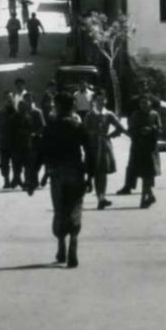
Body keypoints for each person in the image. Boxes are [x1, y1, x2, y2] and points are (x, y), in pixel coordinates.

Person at [42, 92, 93, 268]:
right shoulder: (78, 126)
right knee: (75, 208)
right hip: (75, 172)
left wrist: (36, 176)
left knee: (60, 209)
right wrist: (90, 175)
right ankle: (74, 241)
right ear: (72, 107)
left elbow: (41, 152)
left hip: (57, 173)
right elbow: (89, 151)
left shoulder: (50, 127)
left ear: (57, 106)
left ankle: (60, 245)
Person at [85, 94, 125, 210]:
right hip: (92, 147)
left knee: (102, 172)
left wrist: (110, 135)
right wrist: (91, 134)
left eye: (103, 100)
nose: (100, 102)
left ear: (105, 101)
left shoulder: (108, 114)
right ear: (94, 101)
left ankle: (101, 198)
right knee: (95, 172)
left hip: (104, 146)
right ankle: (98, 195)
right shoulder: (90, 115)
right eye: (98, 100)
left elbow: (120, 127)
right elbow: (84, 129)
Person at [126, 92, 162, 208]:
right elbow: (130, 130)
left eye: (146, 102)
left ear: (150, 103)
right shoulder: (135, 115)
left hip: (151, 148)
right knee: (142, 173)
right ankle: (149, 195)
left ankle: (144, 198)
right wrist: (139, 131)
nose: (144, 105)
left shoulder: (154, 114)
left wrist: (152, 129)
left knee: (148, 173)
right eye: (142, 103)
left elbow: (160, 130)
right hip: (138, 147)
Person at [10, 93, 45, 193]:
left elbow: (42, 126)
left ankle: (32, 181)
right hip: (23, 143)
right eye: (26, 100)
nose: (27, 102)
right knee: (26, 163)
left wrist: (35, 134)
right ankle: (23, 181)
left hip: (35, 141)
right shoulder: (19, 115)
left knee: (35, 163)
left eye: (29, 100)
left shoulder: (37, 112)